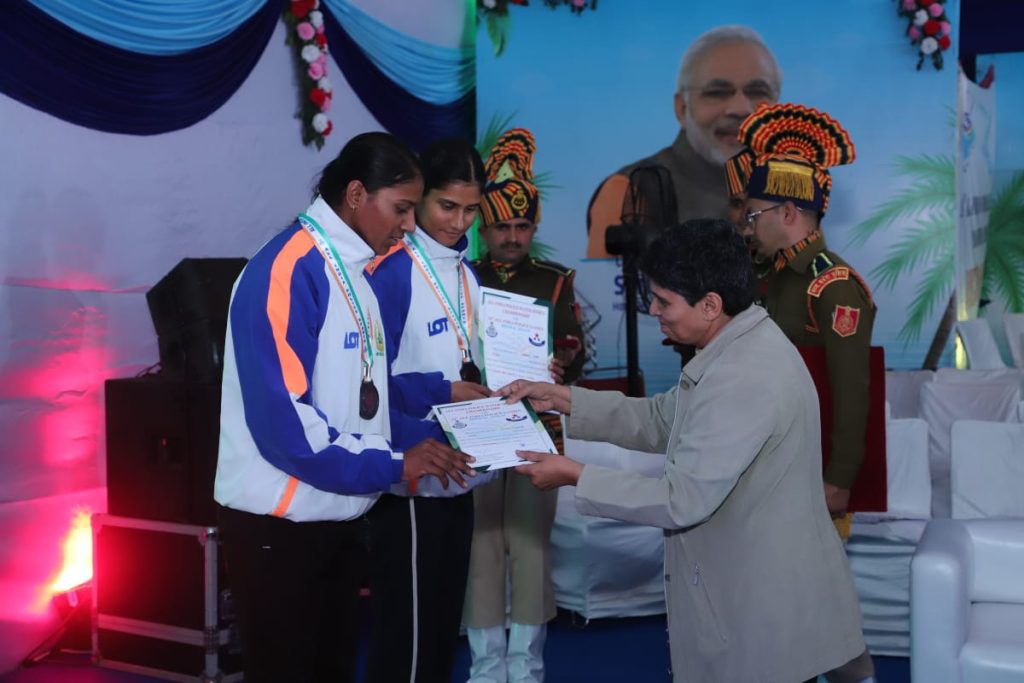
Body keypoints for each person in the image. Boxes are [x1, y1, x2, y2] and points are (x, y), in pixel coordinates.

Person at [505, 219, 868, 683]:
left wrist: (576, 475)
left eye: (664, 300)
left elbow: (681, 499)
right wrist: (564, 399)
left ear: (710, 304)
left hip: (760, 606)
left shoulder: (743, 375)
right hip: (755, 589)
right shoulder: (737, 344)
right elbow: (666, 419)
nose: (653, 310)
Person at [214, 132, 474, 683]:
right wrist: (394, 464)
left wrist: (433, 429)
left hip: (339, 516)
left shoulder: (355, 271)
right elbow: (285, 427)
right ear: (356, 195)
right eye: (401, 209)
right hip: (279, 526)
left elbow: (363, 402)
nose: (410, 225)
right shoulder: (287, 268)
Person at [736, 103, 879, 683]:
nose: (749, 226)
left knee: (816, 604)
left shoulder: (832, 286)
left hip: (813, 476)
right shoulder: (771, 279)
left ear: (789, 212)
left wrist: (839, 479)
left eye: (755, 215)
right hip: (771, 468)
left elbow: (852, 392)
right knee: (785, 606)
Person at [363, 137, 494, 683]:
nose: (458, 222)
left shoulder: (467, 274)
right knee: (408, 637)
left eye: (471, 210)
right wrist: (444, 391)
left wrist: (526, 375)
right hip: (409, 478)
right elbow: (365, 386)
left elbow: (476, 366)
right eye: (447, 206)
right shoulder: (391, 272)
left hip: (460, 472)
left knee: (441, 630)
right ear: (419, 197)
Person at [464, 128, 584, 683]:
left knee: (531, 547)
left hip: (538, 428)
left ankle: (527, 665)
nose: (512, 237)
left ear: (533, 228)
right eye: (501, 227)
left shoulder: (557, 281)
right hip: (477, 427)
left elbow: (574, 349)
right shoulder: (462, 279)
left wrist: (563, 365)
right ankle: (486, 666)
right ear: (483, 229)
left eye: (522, 226)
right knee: (481, 546)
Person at [585, 24, 781, 259]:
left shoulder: (794, 188)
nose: (740, 109)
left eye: (758, 92)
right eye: (717, 92)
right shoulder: (632, 189)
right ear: (682, 108)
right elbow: (606, 281)